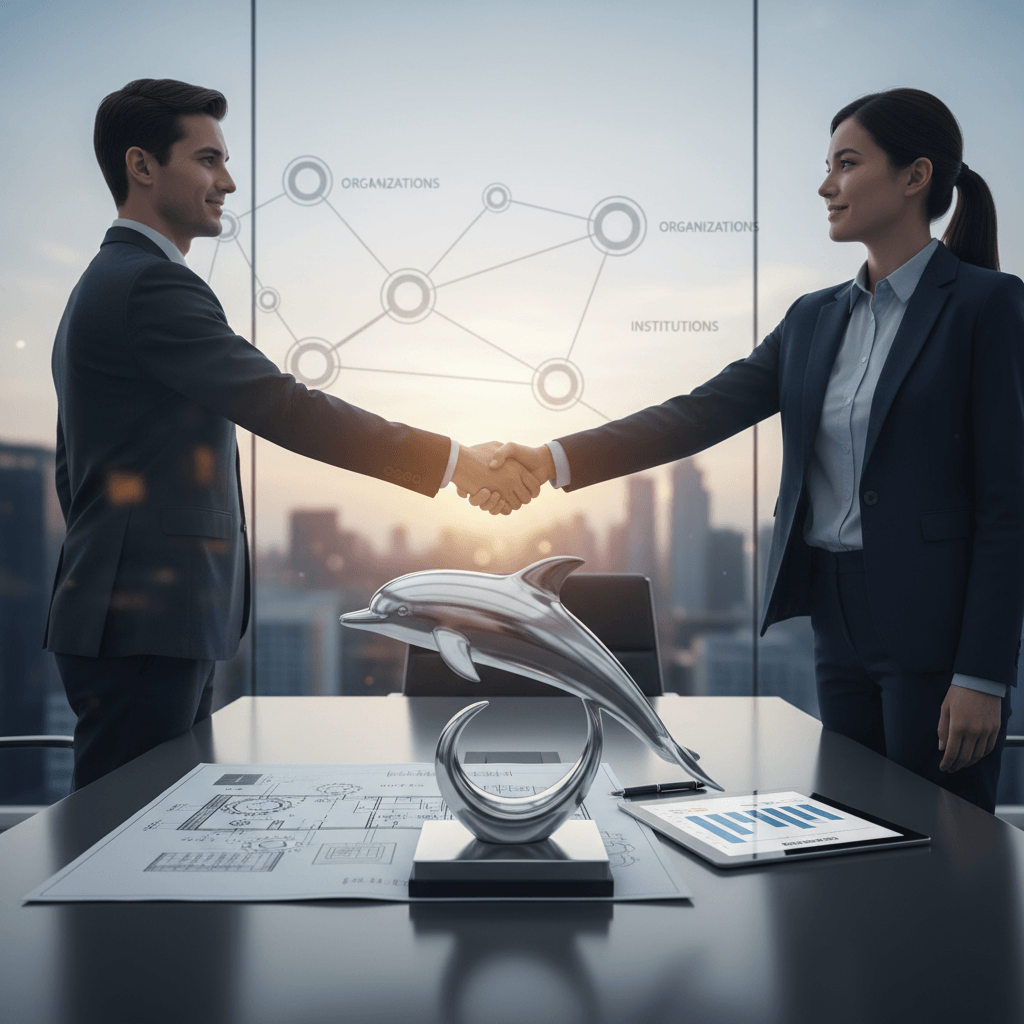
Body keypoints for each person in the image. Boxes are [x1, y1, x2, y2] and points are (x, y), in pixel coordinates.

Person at [487, 88, 1024, 813]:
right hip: (835, 617)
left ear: (914, 176)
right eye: (827, 165)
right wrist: (550, 458)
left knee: (946, 839)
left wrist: (983, 675)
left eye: (847, 163)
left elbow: (1007, 503)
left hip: (936, 622)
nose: (825, 184)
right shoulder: (811, 318)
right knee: (854, 825)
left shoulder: (987, 306)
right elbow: (698, 413)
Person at [45, 78, 539, 790]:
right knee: (123, 843)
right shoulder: (150, 285)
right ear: (142, 166)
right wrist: (456, 463)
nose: (229, 181)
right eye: (208, 159)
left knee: (151, 838)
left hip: (139, 616)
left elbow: (75, 470)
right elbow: (286, 406)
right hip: (148, 621)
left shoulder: (107, 283)